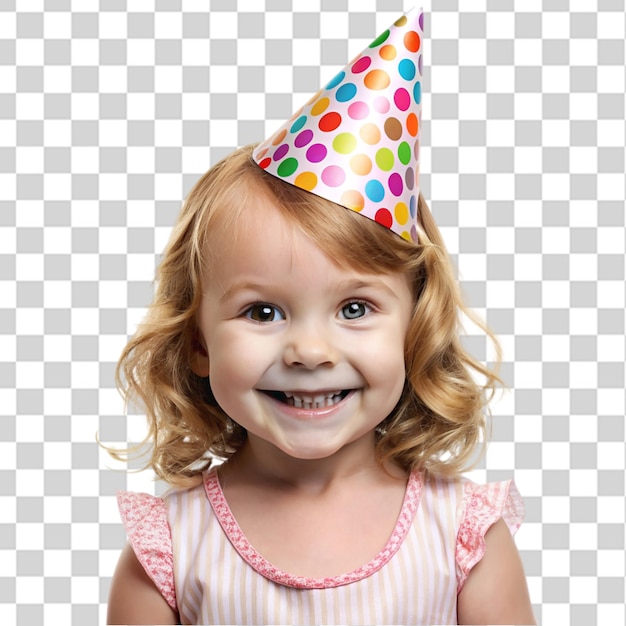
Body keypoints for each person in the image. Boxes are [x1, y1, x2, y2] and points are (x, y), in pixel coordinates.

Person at [106, 7, 536, 625]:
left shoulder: (465, 538)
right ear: (197, 341)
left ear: (414, 330)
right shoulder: (169, 551)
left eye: (354, 308)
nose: (310, 350)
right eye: (262, 311)